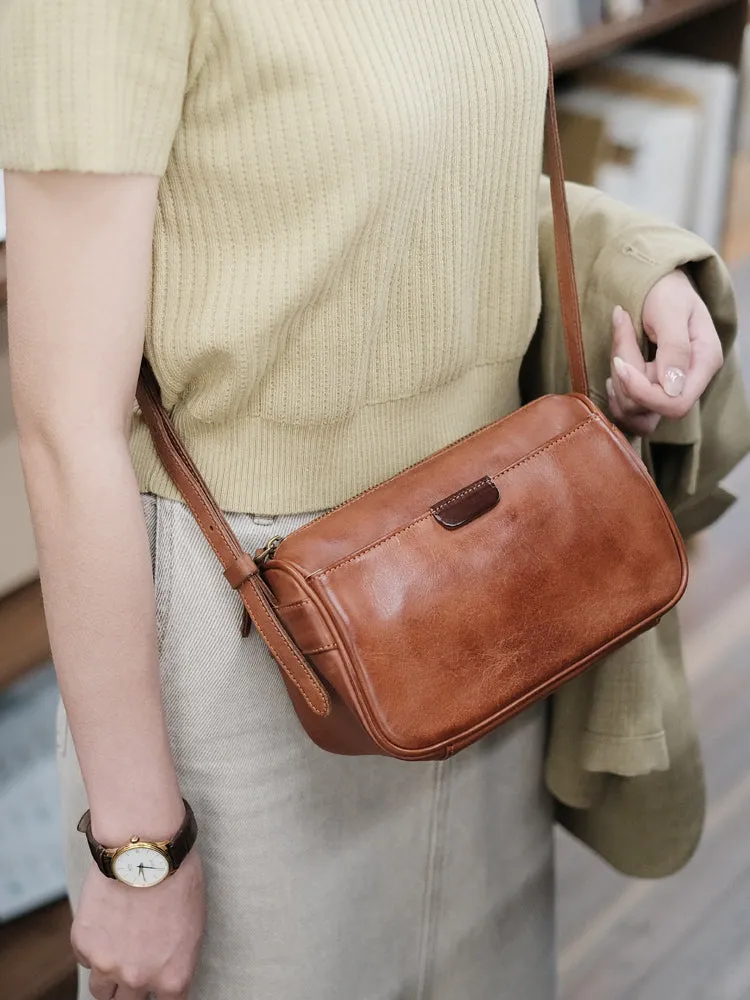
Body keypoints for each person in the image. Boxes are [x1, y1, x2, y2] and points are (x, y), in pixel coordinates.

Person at [0, 1, 730, 997]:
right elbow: (63, 428)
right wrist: (139, 847)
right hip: (259, 637)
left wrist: (631, 264)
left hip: (491, 575)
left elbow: (413, 158)